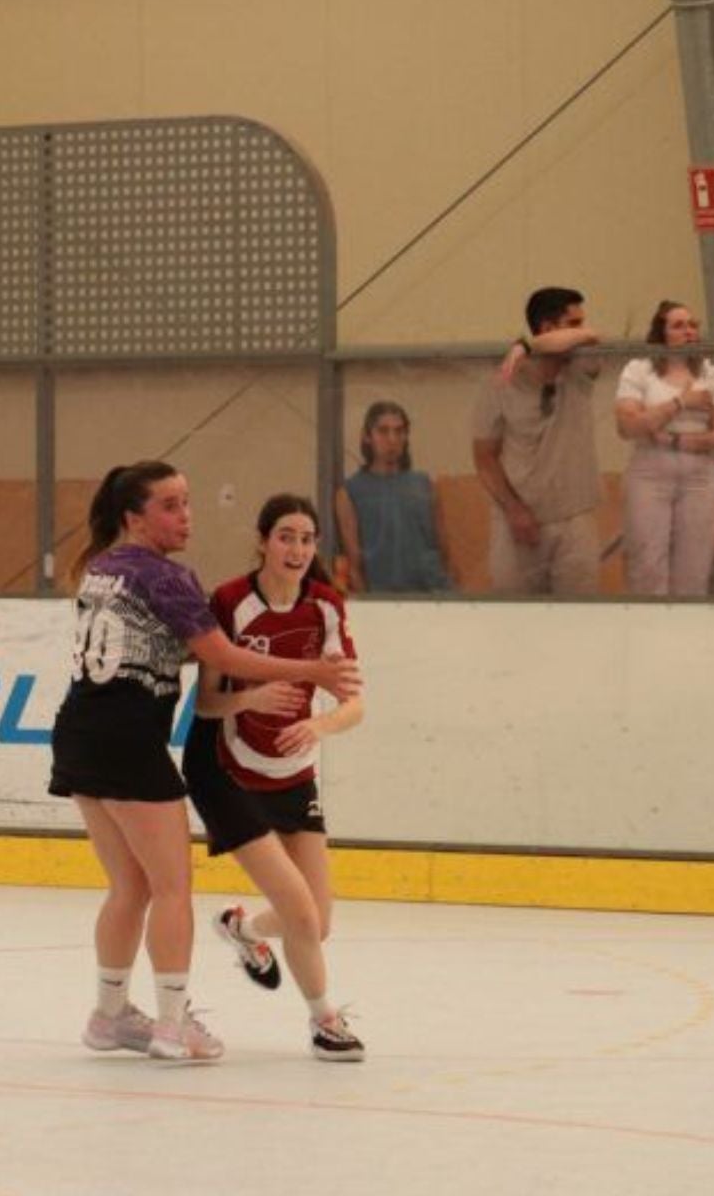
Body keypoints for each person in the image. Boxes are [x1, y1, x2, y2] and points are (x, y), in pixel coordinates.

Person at [48, 461, 359, 1065]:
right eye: (170, 506)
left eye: (188, 502)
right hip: (127, 741)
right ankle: (170, 1024)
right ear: (134, 517)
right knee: (171, 887)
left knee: (130, 886)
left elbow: (163, 650)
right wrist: (311, 672)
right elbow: (221, 654)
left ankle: (109, 1014)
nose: (185, 516)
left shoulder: (101, 570)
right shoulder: (167, 577)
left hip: (79, 732)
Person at [183, 495, 367, 1062]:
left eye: (308, 538)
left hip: (293, 772)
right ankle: (325, 1023)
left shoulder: (326, 607)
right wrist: (251, 697)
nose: (297, 549)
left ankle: (243, 928)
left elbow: (353, 702)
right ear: (263, 541)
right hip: (226, 772)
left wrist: (319, 724)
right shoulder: (231, 602)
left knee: (319, 919)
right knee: (302, 913)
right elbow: (207, 703)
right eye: (285, 536)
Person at [473, 287, 605, 596]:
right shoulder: (501, 381)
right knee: (515, 623)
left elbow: (593, 338)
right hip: (517, 522)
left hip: (575, 519)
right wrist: (514, 510)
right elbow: (484, 458)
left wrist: (524, 344)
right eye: (574, 324)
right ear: (547, 327)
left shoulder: (582, 369)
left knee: (580, 621)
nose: (583, 332)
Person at [616, 300, 714, 597]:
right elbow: (627, 426)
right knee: (647, 563)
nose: (689, 331)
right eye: (679, 326)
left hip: (699, 474)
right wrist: (682, 403)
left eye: (693, 325)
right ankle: (648, 633)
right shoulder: (639, 370)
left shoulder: (711, 373)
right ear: (661, 333)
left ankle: (685, 636)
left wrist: (677, 439)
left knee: (694, 568)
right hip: (651, 473)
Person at [335, 400, 454, 593]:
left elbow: (444, 549)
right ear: (367, 436)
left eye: (399, 431)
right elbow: (355, 563)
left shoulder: (424, 485)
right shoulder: (350, 492)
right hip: (382, 599)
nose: (392, 439)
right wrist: (368, 606)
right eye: (383, 431)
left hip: (433, 593)